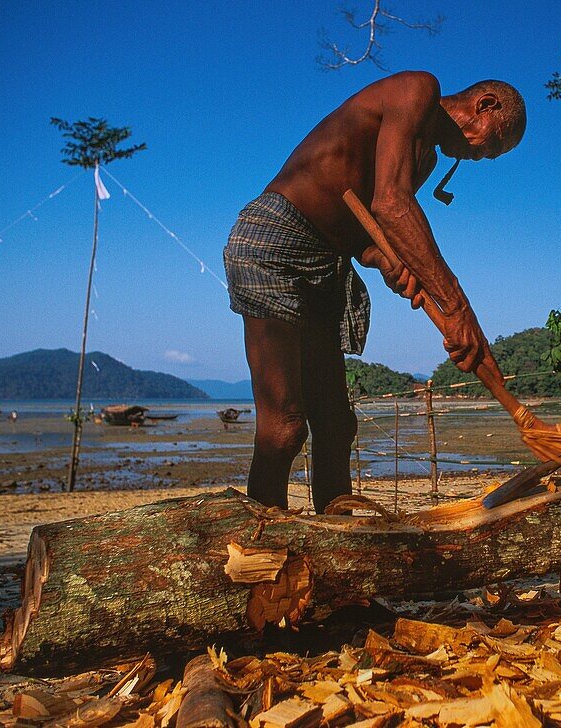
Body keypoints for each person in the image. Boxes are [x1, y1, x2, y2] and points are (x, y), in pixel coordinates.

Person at [224, 71, 527, 512]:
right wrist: (458, 307)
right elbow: (391, 203)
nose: (484, 156)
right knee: (285, 427)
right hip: (276, 242)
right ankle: (260, 550)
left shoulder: (423, 161)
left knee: (336, 424)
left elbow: (365, 229)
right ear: (485, 105)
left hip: (327, 259)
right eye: (493, 143)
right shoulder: (418, 90)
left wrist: (387, 261)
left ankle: (341, 542)